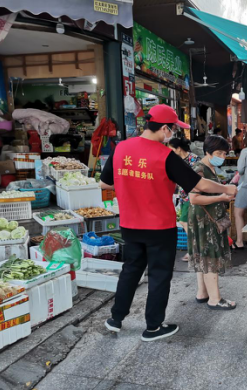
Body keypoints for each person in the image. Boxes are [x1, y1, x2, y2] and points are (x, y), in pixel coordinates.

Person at [100, 105, 237, 341]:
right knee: (159, 275)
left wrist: (130, 186)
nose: (173, 134)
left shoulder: (121, 148)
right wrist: (227, 188)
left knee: (130, 270)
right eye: (173, 129)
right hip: (159, 227)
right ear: (164, 128)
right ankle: (153, 327)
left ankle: (116, 319)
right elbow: (199, 185)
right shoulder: (165, 155)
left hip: (130, 224)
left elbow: (105, 183)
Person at [188, 135, 237, 310]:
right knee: (210, 257)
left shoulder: (210, 167)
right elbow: (194, 198)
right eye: (218, 153)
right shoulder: (199, 169)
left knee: (203, 256)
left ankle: (202, 293)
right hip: (204, 220)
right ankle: (215, 299)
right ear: (207, 152)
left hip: (207, 218)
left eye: (224, 153)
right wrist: (221, 196)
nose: (222, 157)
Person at [168, 137, 200, 262]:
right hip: (183, 196)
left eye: (171, 148)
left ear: (178, 148)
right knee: (188, 223)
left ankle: (194, 251)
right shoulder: (177, 160)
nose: (169, 151)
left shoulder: (193, 159)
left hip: (191, 196)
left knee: (185, 222)